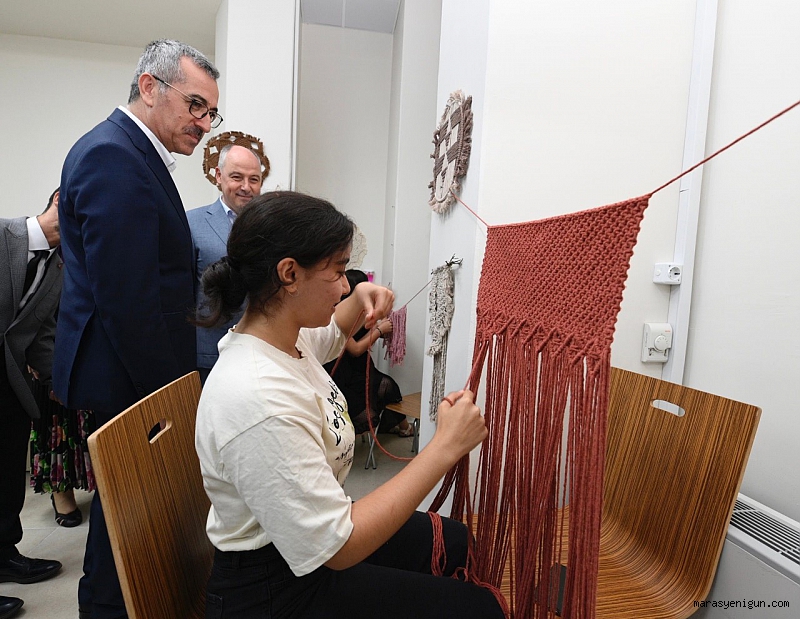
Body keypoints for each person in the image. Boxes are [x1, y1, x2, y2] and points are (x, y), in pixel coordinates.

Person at [194, 191, 505, 618]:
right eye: (339, 272)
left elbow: (333, 331)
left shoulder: (282, 339)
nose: (345, 286)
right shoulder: (258, 397)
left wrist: (360, 297)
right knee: (478, 608)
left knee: (455, 542)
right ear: (290, 273)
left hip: (298, 545)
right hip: (273, 591)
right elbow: (337, 547)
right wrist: (444, 448)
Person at [53, 39, 220, 619]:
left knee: (127, 520)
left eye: (211, 112)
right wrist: (167, 395)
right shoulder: (113, 155)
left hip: (132, 369)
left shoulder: (130, 151)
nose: (204, 124)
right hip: (128, 374)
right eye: (195, 106)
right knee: (122, 525)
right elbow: (127, 298)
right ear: (150, 87)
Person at [0, 188, 65, 619]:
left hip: (11, 381)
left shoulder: (60, 266)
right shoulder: (3, 235)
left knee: (7, 472)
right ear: (61, 200)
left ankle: (4, 554)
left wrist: (59, 381)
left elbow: (39, 332)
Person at [187, 142, 263, 383]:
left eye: (254, 179)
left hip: (261, 354)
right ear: (219, 176)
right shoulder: (192, 224)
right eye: (237, 177)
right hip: (210, 355)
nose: (246, 187)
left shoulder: (271, 227)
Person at [323, 269, 413, 436]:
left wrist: (382, 323)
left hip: (361, 369)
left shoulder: (363, 313)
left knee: (389, 386)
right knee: (367, 415)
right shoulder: (339, 317)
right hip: (343, 375)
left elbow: (370, 335)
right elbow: (355, 349)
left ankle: (405, 428)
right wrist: (379, 330)